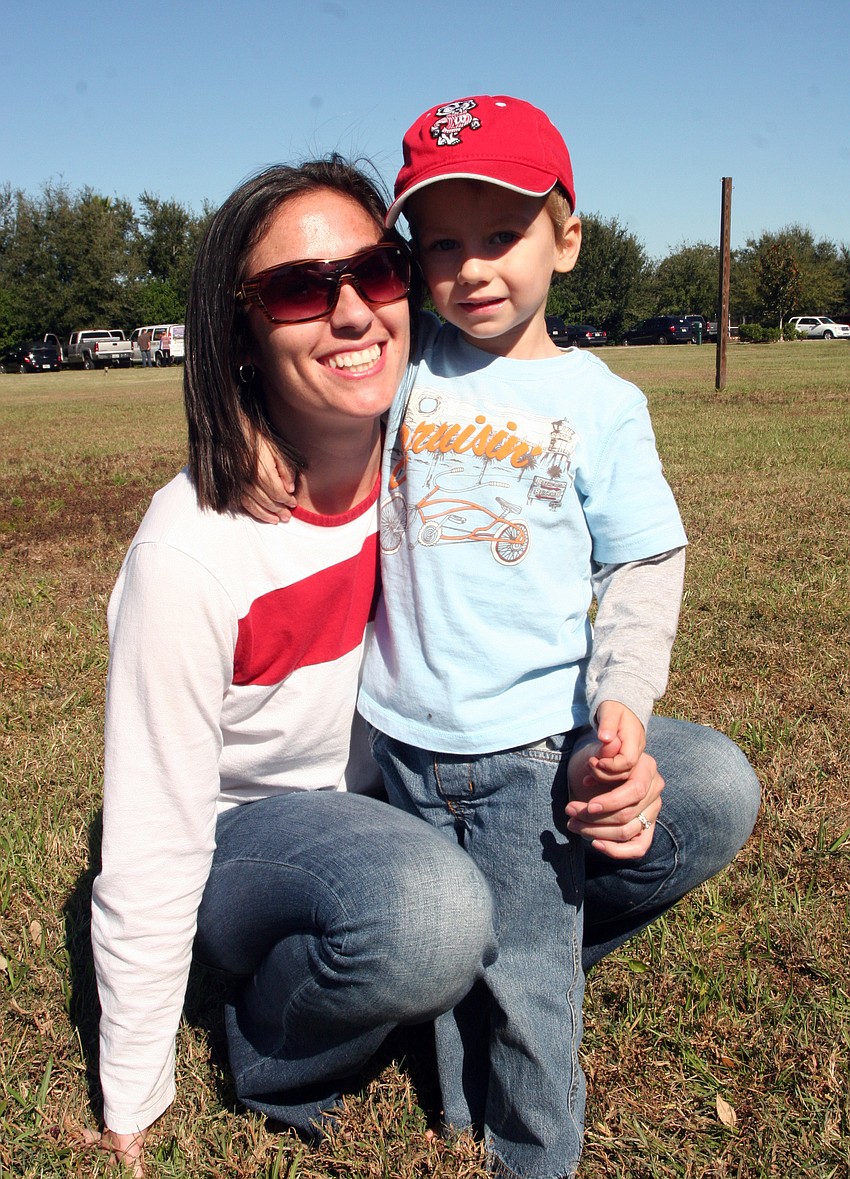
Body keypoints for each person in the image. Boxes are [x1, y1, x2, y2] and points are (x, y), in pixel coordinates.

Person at [350, 95, 761, 1179]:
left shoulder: (601, 401)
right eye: (441, 243)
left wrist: (622, 696)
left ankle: (535, 1156)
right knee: (445, 966)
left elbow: (641, 563)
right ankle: (450, 1121)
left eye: (502, 235)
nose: (472, 268)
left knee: (528, 979)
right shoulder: (405, 366)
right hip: (393, 739)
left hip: (527, 751)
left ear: (564, 240)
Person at [84, 158, 505, 1178]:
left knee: (703, 789)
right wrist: (132, 1090)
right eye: (298, 289)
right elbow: (150, 832)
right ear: (241, 335)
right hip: (250, 839)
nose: (352, 311)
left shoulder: (439, 454)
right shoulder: (192, 549)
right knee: (427, 911)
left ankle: (456, 981)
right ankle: (280, 1053)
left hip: (402, 791)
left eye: (378, 268)